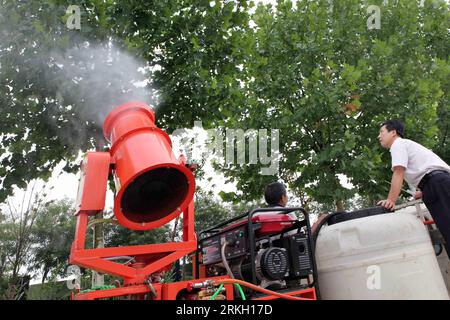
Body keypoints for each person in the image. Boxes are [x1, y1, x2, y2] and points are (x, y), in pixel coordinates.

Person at [377, 119, 450, 254]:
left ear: (393, 132)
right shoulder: (407, 145)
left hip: (438, 184)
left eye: (381, 132)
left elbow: (399, 172)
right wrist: (424, 190)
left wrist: (391, 200)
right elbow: (429, 171)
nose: (379, 136)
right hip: (439, 183)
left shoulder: (398, 144)